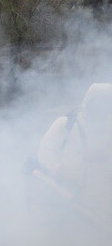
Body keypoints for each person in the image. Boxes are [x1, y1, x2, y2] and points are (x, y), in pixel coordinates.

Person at [36, 82, 112, 219]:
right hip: (66, 193)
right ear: (90, 102)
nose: (104, 108)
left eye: (107, 104)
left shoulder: (108, 130)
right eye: (100, 103)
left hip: (98, 197)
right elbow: (45, 152)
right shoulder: (67, 123)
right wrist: (60, 171)